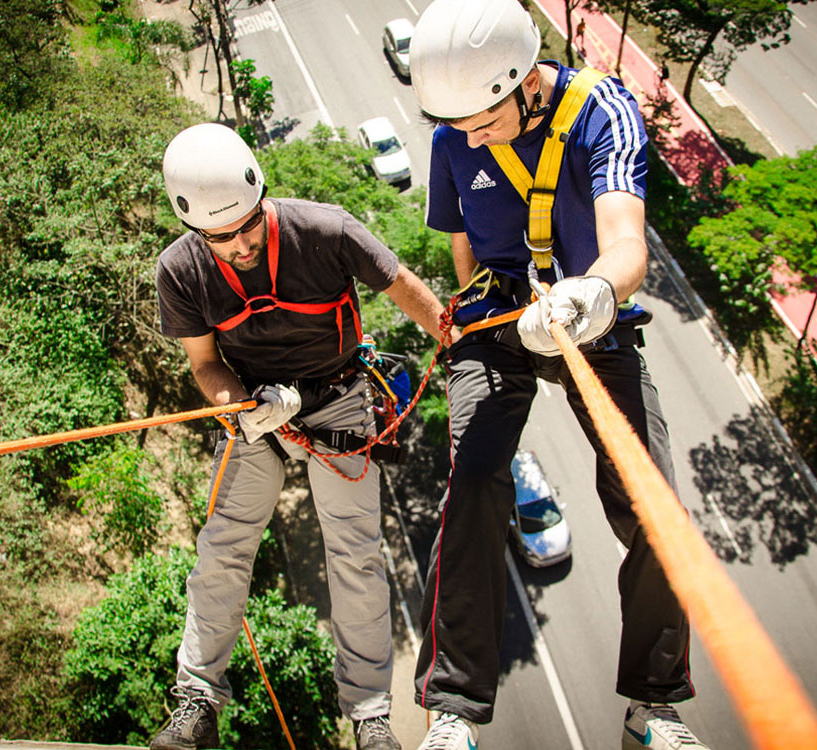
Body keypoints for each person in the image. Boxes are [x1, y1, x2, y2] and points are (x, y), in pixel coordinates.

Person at [406, 1, 709, 749]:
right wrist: (485, 326)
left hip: (589, 310)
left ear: (523, 81)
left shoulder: (602, 111)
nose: (467, 137)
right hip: (501, 316)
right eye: (457, 124)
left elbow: (627, 243)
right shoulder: (455, 129)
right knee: (473, 481)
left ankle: (654, 705)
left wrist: (591, 293)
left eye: (483, 119)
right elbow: (465, 250)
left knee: (653, 501)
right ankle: (452, 710)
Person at [150, 123, 450, 750]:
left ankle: (370, 713)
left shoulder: (326, 231)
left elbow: (408, 292)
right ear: (194, 231)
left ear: (263, 199)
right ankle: (197, 699)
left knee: (356, 553)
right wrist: (239, 406)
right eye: (220, 238)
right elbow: (205, 364)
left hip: (337, 397)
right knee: (224, 548)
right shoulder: (181, 271)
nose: (238, 245)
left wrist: (461, 343)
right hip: (254, 409)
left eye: (247, 227)